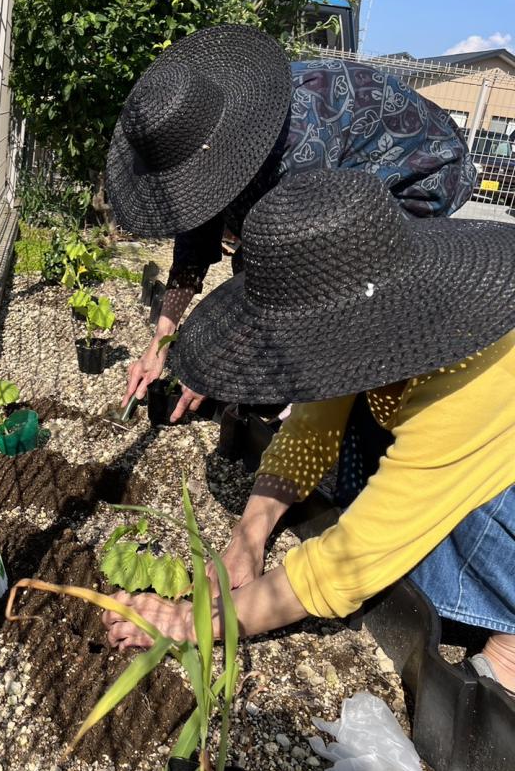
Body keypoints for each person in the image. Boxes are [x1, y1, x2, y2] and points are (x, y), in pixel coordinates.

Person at [102, 170, 515, 694]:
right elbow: (311, 429)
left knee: (436, 524)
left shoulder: (475, 376)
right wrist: (249, 536)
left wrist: (190, 622)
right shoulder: (380, 315)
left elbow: (349, 562)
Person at [106, 25, 476, 422]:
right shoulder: (212, 139)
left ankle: (347, 406)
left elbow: (297, 273)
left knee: (356, 288)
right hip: (331, 161)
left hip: (416, 168)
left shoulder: (298, 150)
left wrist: (219, 364)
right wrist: (160, 342)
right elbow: (194, 246)